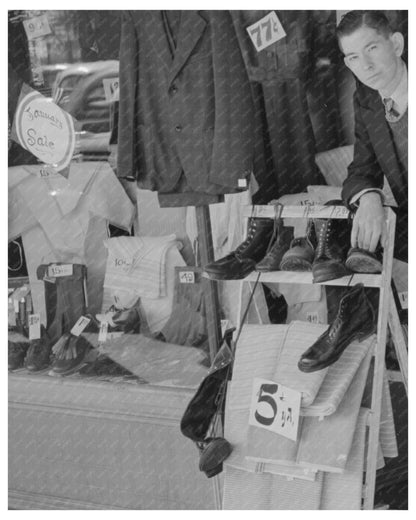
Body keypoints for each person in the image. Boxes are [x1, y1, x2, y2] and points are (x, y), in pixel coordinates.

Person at [337, 11, 408, 267]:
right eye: (354, 57)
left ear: (396, 44)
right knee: (336, 225)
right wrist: (369, 197)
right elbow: (361, 169)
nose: (365, 65)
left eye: (372, 48)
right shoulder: (367, 100)